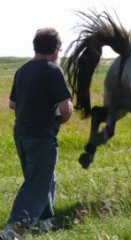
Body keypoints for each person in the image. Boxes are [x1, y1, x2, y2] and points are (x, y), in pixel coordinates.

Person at [0, 28, 73, 240]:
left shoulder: (22, 70)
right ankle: (11, 231)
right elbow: (66, 109)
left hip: (21, 134)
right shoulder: (53, 70)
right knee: (36, 183)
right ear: (57, 49)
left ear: (35, 46)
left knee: (46, 177)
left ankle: (44, 223)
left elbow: (13, 104)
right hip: (42, 135)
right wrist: (62, 118)